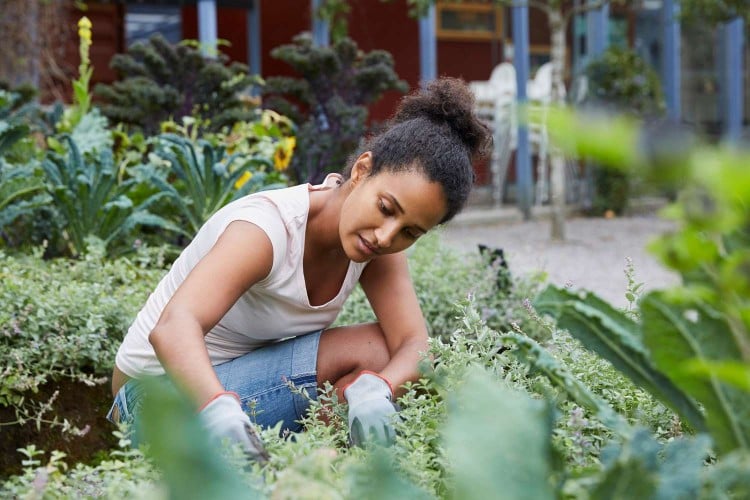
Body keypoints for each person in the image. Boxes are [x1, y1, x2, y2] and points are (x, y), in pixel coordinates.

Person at [107, 77, 491, 459]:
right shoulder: (266, 230)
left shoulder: (376, 245)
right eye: (386, 208)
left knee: (382, 357)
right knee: (371, 349)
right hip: (153, 402)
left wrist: (380, 388)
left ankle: (295, 473)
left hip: (232, 388)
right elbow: (173, 326)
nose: (386, 236)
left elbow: (414, 344)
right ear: (361, 170)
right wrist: (218, 409)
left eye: (410, 231)